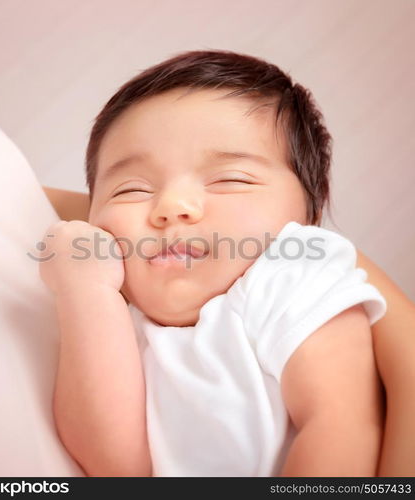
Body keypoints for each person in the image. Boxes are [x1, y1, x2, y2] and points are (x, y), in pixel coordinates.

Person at [39, 50, 415, 477]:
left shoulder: (292, 276)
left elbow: (341, 422)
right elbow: (117, 466)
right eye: (131, 189)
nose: (171, 206)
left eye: (229, 180)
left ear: (306, 221)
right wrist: (86, 293)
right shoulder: (125, 320)